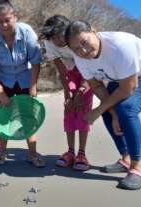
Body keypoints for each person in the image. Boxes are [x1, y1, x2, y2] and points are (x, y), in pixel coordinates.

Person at [65, 20, 141, 190]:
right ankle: (126, 159)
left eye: (84, 42)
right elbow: (97, 86)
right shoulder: (80, 58)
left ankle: (137, 168)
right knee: (109, 110)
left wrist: (97, 111)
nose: (83, 51)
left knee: (127, 108)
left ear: (94, 30)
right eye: (76, 48)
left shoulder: (120, 45)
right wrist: (111, 114)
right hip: (120, 76)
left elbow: (129, 88)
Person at [0, 0, 45, 167]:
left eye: (7, 20)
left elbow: (36, 61)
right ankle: (2, 152)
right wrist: (1, 93)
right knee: (5, 117)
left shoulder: (26, 32)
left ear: (15, 17)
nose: (4, 25)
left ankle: (32, 154)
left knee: (29, 117)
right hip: (4, 80)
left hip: (25, 78)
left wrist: (33, 86)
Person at [42, 15, 93, 171]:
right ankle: (70, 152)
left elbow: (90, 65)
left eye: (61, 35)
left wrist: (81, 90)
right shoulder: (49, 43)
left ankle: (81, 153)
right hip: (71, 73)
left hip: (88, 74)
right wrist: (67, 92)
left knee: (83, 110)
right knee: (69, 109)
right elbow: (61, 68)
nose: (58, 40)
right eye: (54, 37)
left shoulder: (76, 38)